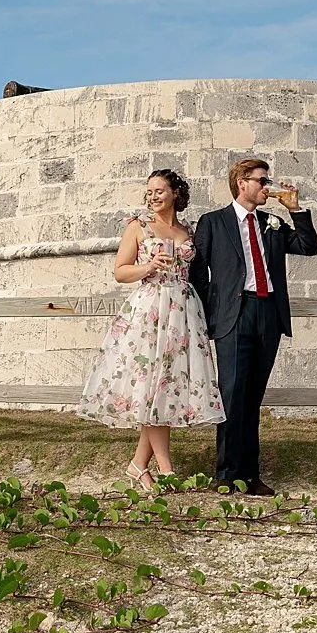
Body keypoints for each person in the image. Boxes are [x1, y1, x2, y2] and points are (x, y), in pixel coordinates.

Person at [76, 169, 225, 489]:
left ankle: (138, 466)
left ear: (175, 193)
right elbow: (120, 272)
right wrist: (149, 266)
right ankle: (167, 471)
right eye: (149, 191)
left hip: (184, 312)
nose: (153, 196)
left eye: (159, 190)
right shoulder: (138, 226)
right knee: (153, 386)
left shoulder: (188, 230)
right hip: (151, 311)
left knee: (166, 389)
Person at [189, 157, 317, 496]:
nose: (267, 187)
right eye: (261, 181)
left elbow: (308, 247)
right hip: (234, 314)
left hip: (268, 314)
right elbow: (197, 273)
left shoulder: (272, 222)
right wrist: (210, 314)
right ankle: (226, 473)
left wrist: (296, 210)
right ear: (241, 183)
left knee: (252, 398)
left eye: (267, 180)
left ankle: (250, 474)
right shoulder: (213, 223)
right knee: (232, 396)